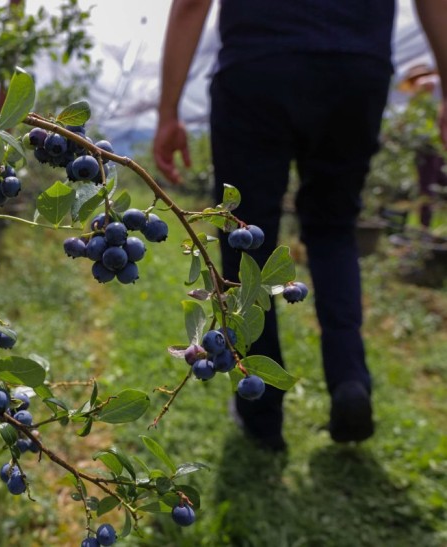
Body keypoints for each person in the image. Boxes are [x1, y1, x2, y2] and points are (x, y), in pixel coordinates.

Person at [153, 0, 447, 451]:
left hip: (258, 63)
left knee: (246, 235)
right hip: (355, 66)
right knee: (333, 228)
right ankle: (350, 378)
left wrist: (168, 111)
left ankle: (262, 413)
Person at [396, 64, 446, 228]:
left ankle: (425, 227)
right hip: (436, 142)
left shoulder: (426, 84)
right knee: (437, 183)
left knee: (427, 185)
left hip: (428, 145)